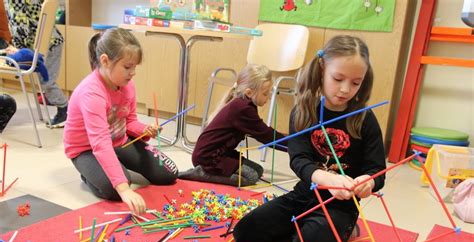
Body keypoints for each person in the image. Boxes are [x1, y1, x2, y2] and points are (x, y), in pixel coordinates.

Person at [233, 35, 386, 242]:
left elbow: (377, 169)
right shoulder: (304, 111)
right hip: (304, 194)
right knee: (244, 234)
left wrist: (368, 181)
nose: (346, 89)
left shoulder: (364, 118)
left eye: (356, 83)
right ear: (322, 70)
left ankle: (342, 230)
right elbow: (299, 160)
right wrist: (328, 179)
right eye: (338, 79)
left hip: (340, 205)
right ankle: (307, 229)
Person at [63, 28, 178, 214]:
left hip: (118, 142)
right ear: (105, 61)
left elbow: (130, 121)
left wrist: (145, 130)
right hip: (87, 150)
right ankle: (89, 174)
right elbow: (100, 143)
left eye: (134, 67)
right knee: (116, 189)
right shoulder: (91, 93)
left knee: (168, 173)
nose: (132, 73)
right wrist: (124, 189)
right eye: (127, 67)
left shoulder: (127, 84)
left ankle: (112, 165)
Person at [179, 64, 288, 187]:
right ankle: (201, 173)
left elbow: (263, 133)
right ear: (249, 92)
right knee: (251, 177)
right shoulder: (242, 109)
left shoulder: (243, 103)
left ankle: (209, 171)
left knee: (258, 170)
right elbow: (266, 135)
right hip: (209, 157)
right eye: (265, 94)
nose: (267, 98)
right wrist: (293, 146)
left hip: (220, 152)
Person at [5, 0, 68, 128]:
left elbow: (22, 26)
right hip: (42, 45)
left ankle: (64, 109)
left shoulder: (16, 3)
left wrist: (18, 49)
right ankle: (63, 108)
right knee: (45, 80)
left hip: (49, 44)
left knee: (47, 81)